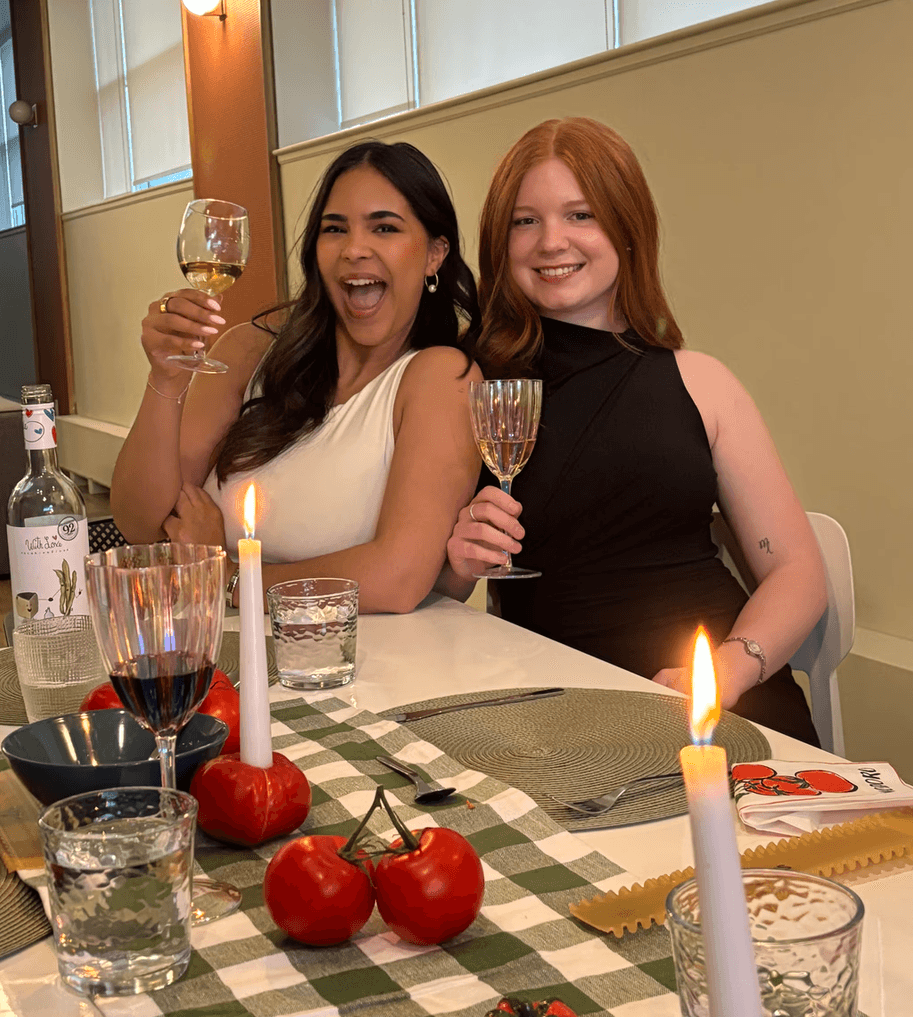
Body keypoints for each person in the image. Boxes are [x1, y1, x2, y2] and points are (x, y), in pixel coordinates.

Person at [437, 118, 826, 744]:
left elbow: (798, 572)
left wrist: (725, 672)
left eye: (581, 215)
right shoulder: (468, 384)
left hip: (719, 704)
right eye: (525, 221)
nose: (551, 241)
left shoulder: (703, 381)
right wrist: (458, 566)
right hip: (560, 718)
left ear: (627, 228)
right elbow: (434, 592)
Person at [112, 140, 482, 614]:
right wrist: (165, 379)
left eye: (385, 227)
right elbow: (141, 524)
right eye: (335, 229)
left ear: (434, 254)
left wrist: (230, 577)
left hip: (351, 657)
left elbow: (398, 578)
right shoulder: (248, 351)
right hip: (214, 647)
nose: (354, 249)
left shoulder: (443, 379)